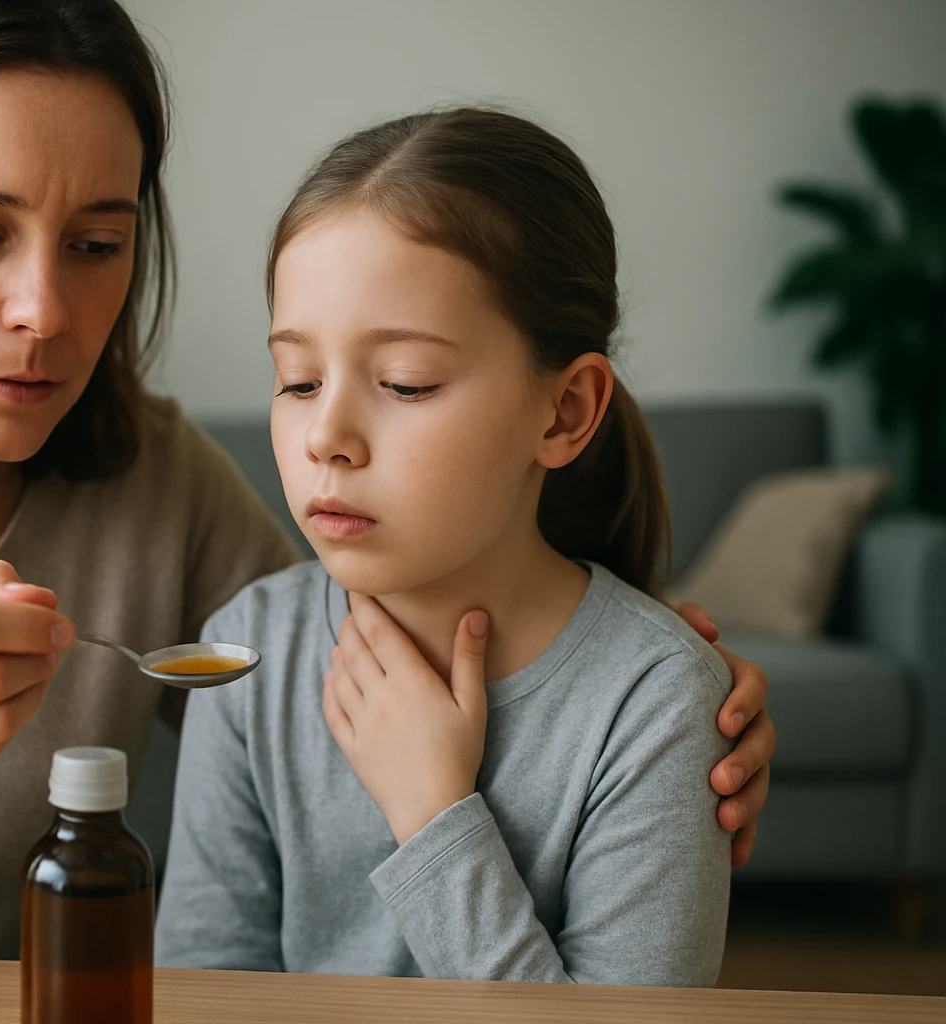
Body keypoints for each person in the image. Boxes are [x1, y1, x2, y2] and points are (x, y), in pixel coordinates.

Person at [0, 3, 774, 1021]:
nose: (46, 311)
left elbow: (373, 650)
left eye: (98, 245)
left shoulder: (157, 483)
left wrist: (665, 709)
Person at [156, 108, 753, 986]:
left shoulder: (655, 701)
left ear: (565, 412)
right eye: (299, 380)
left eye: (405, 383)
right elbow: (203, 993)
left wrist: (434, 816)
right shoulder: (246, 656)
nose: (326, 437)